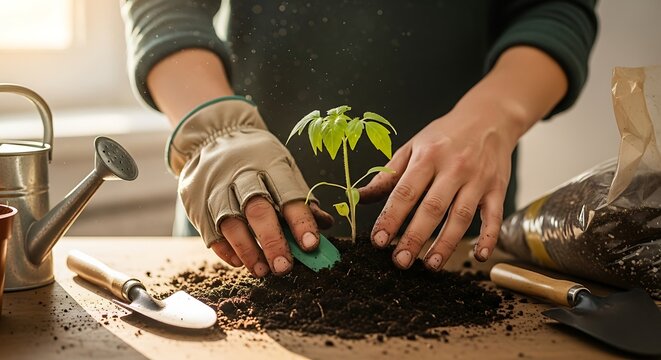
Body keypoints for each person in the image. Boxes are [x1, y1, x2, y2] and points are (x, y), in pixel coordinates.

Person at [121, 1, 597, 277]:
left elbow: (555, 9)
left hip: (451, 239)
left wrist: (493, 117)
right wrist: (215, 128)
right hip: (243, 217)